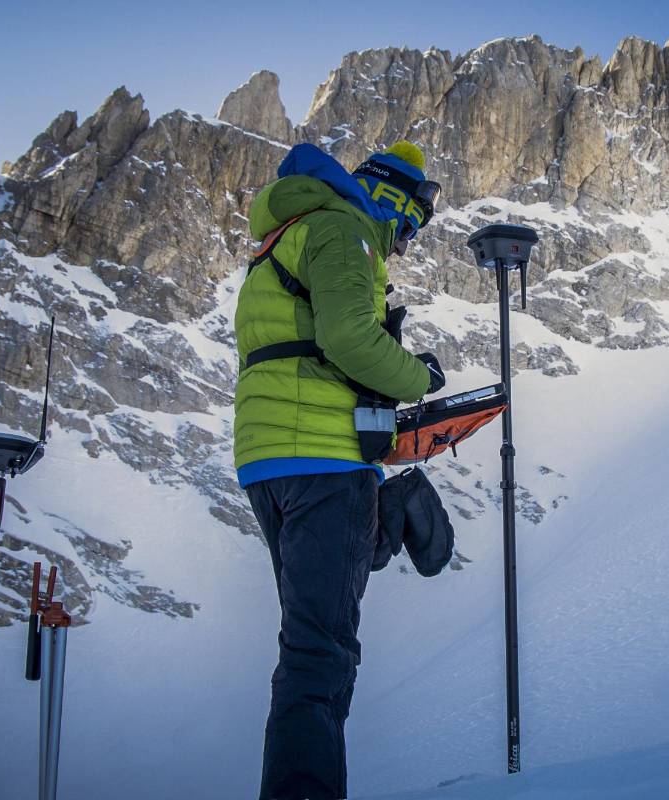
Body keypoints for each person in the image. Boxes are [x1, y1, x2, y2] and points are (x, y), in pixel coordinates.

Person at [234, 139, 447, 800]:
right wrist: (420, 377)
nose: (407, 239)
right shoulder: (344, 229)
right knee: (320, 655)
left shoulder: (288, 233)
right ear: (388, 195)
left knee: (311, 642)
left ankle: (392, 508)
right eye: (411, 221)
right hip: (323, 456)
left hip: (270, 460)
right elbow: (349, 339)